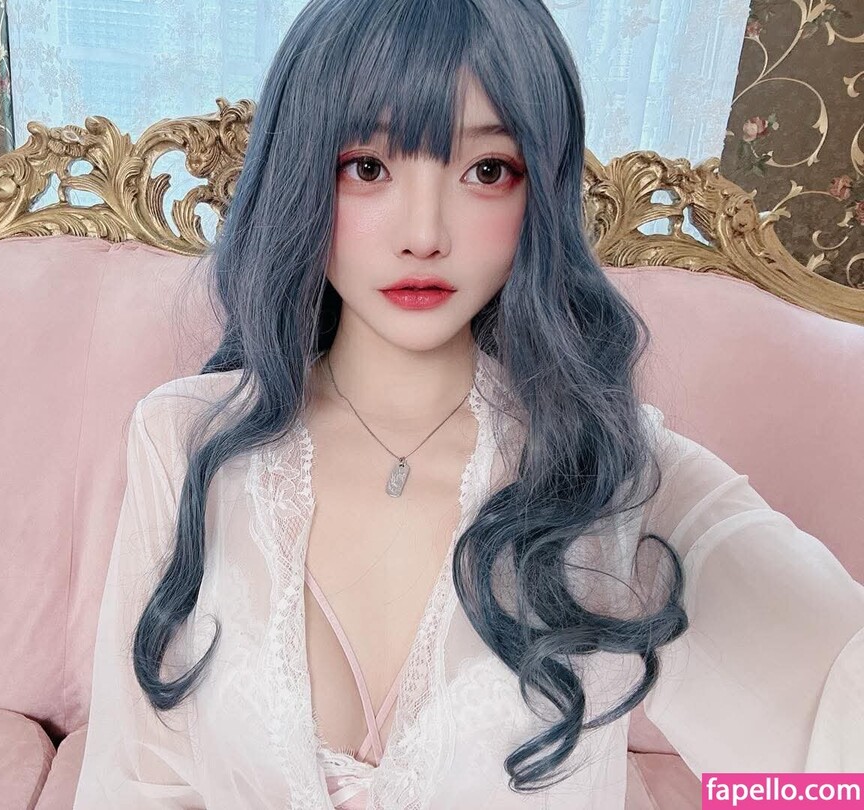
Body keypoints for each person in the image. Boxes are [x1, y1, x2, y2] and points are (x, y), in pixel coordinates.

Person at [72, 0, 864, 806]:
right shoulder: (186, 439)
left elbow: (837, 704)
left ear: (539, 191)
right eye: (367, 167)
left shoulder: (610, 471)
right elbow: (143, 780)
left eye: (487, 171)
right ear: (299, 172)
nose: (424, 234)